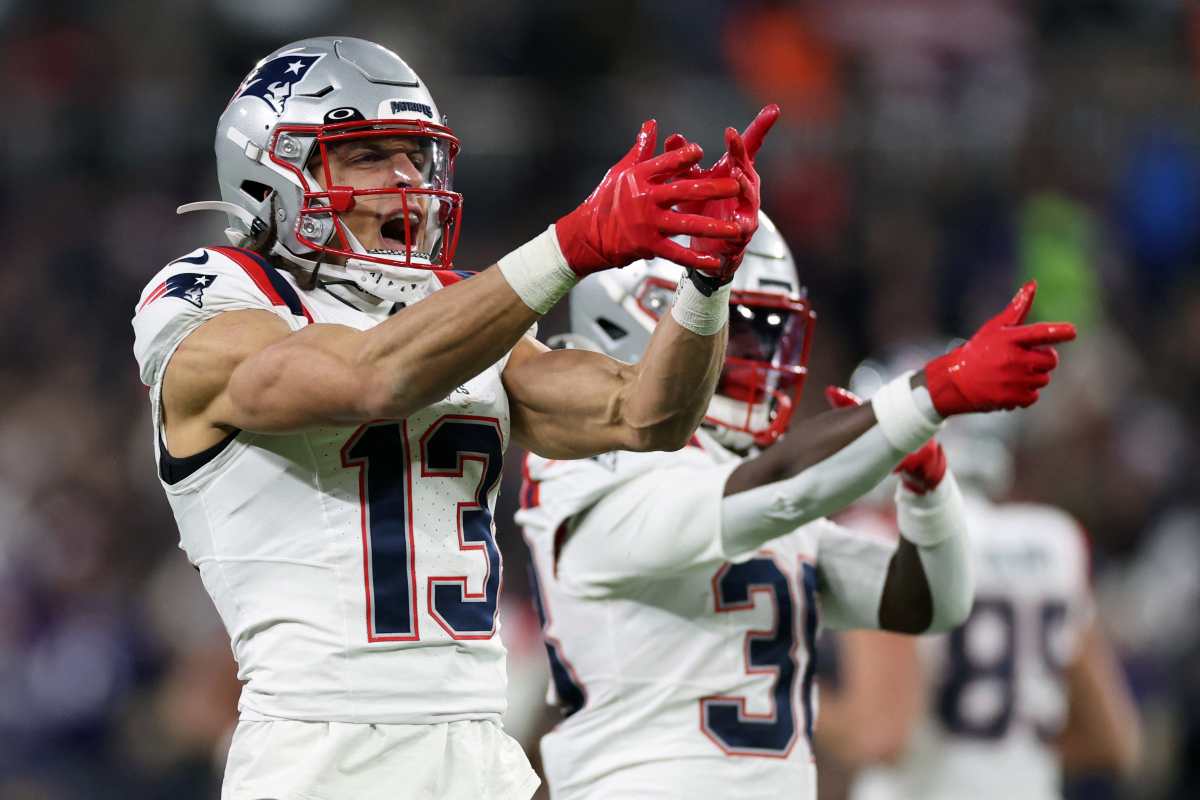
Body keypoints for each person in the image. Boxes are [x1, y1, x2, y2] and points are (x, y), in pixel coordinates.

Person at [131, 36, 777, 800]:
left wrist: (705, 282)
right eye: (368, 154)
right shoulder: (211, 298)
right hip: (320, 754)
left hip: (478, 746)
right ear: (275, 171)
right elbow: (370, 378)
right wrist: (568, 247)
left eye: (415, 154)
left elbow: (647, 415)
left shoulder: (451, 313)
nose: (406, 177)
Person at [515, 212, 1078, 799]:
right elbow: (777, 490)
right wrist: (926, 396)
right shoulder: (589, 466)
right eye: (733, 332)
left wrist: (929, 489)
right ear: (635, 321)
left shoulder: (739, 480)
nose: (759, 359)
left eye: (770, 334)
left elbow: (929, 602)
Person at [816, 351, 1142, 800]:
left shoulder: (883, 535)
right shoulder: (1053, 540)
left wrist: (790, 690)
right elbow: (1114, 741)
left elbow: (880, 736)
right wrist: (1004, 763)